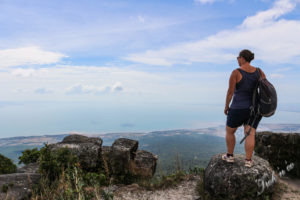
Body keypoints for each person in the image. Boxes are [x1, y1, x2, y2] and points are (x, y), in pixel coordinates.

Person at [222, 49, 266, 168]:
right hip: (255, 109)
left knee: (230, 131)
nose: (237, 60)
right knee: (250, 134)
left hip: (238, 108)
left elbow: (230, 92)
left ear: (242, 58)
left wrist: (226, 106)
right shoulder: (259, 72)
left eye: (238, 57)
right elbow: (265, 88)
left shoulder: (236, 72)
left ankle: (230, 156)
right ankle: (248, 160)